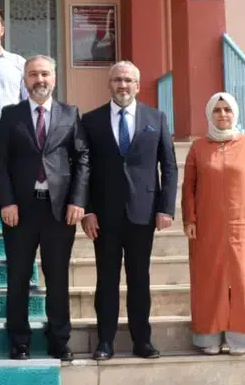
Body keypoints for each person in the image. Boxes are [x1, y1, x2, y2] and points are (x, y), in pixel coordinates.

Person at [0, 55, 89, 361]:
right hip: (20, 211)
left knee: (57, 278)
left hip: (58, 211)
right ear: (25, 80)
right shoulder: (11, 115)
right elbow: (0, 161)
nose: (40, 80)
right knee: (18, 277)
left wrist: (78, 200)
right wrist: (6, 201)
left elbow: (82, 159)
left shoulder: (70, 114)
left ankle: (59, 340)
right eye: (33, 74)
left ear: (54, 79)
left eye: (45, 74)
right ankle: (19, 340)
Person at [80, 60, 177, 361]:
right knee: (106, 280)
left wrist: (166, 208)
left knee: (139, 279)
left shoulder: (156, 118)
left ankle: (142, 341)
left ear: (137, 85)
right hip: (104, 216)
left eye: (128, 80)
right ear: (109, 84)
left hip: (143, 213)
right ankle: (105, 342)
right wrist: (87, 210)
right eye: (117, 80)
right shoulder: (91, 120)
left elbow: (169, 166)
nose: (122, 85)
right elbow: (83, 168)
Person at [183, 92, 245, 355]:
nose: (222, 115)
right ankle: (208, 338)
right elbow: (189, 186)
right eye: (217, 110)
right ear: (209, 114)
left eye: (227, 110)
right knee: (209, 278)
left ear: (235, 113)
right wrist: (190, 218)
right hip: (207, 226)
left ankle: (243, 340)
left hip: (243, 225)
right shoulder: (198, 147)